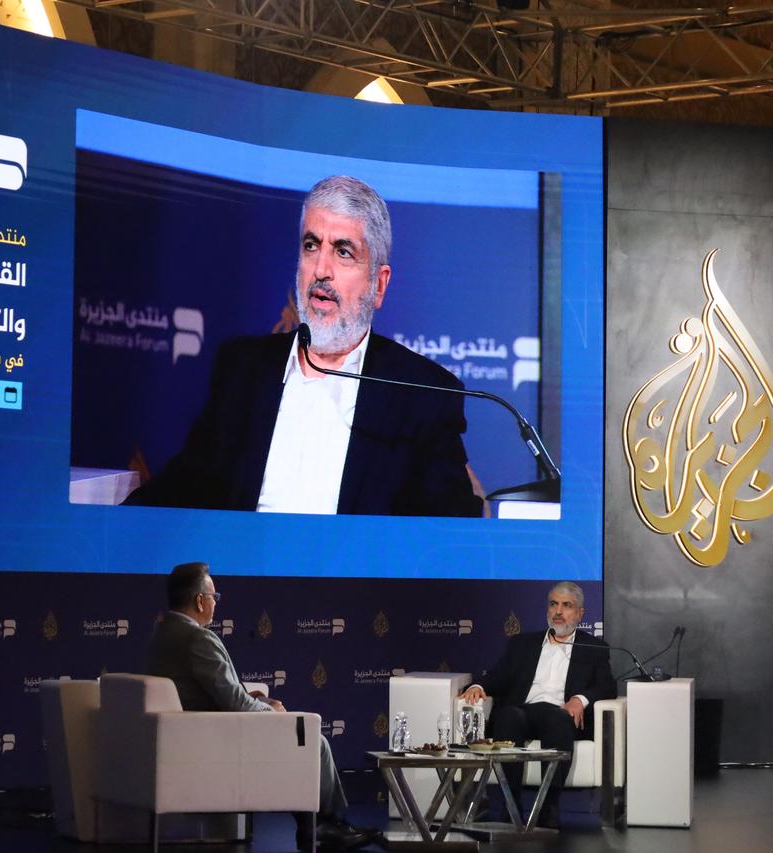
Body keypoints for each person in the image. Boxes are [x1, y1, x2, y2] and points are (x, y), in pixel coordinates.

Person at [123, 175, 482, 517]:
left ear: (379, 284)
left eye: (343, 252)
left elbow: (451, 531)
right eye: (311, 246)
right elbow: (182, 489)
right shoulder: (243, 370)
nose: (321, 269)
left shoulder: (421, 393)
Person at [145, 562, 380, 852]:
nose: (216, 604)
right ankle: (324, 826)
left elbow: (204, 690)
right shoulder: (198, 638)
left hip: (191, 737)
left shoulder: (161, 635)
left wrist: (255, 699)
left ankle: (319, 826)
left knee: (294, 732)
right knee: (313, 741)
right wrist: (271, 712)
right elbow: (234, 704)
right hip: (220, 740)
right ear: (200, 601)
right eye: (214, 597)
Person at [459, 582, 616, 828]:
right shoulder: (523, 643)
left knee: (556, 719)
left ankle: (547, 807)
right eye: (554, 604)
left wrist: (579, 700)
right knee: (508, 717)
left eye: (566, 605)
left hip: (559, 713)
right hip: (523, 711)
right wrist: (478, 686)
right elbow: (499, 676)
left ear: (580, 613)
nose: (558, 611)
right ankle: (510, 807)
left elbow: (607, 687)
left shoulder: (593, 648)